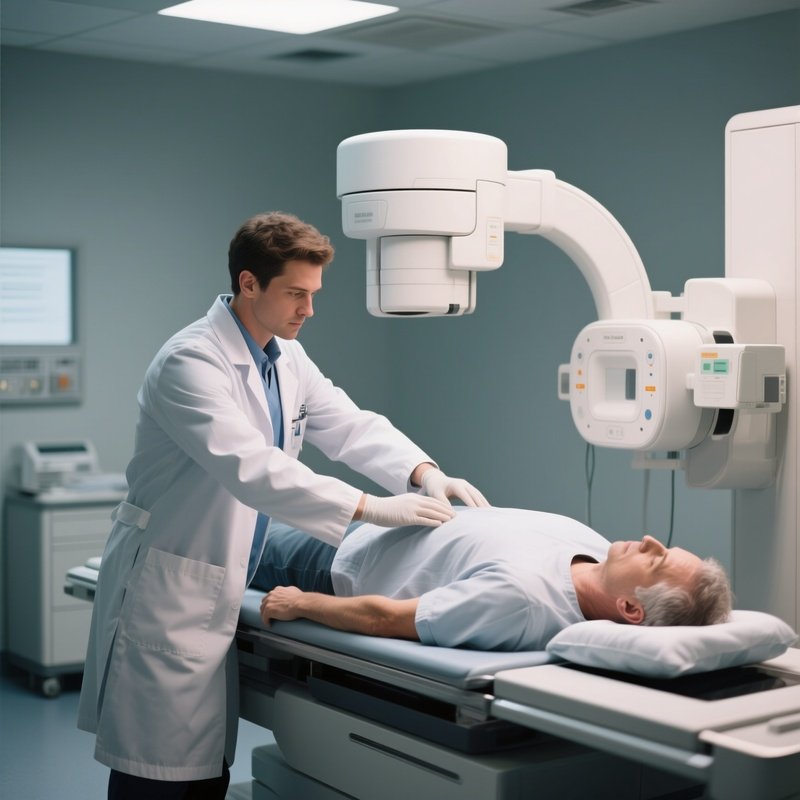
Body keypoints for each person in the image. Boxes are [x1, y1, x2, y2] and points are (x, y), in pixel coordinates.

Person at [78, 211, 488, 798]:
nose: (309, 309)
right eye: (296, 293)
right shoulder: (190, 363)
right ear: (249, 284)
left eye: (313, 294)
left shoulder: (283, 356)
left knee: (201, 773)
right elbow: (253, 469)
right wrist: (370, 508)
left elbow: (347, 423)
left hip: (223, 567)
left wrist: (424, 472)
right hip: (168, 583)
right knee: (158, 775)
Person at [255, 507, 733, 651]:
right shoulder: (590, 544)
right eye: (662, 546)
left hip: (335, 561)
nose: (649, 540)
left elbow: (387, 618)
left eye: (655, 559)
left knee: (213, 543)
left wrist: (302, 603)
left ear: (632, 609)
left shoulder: (523, 602)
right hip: (378, 524)